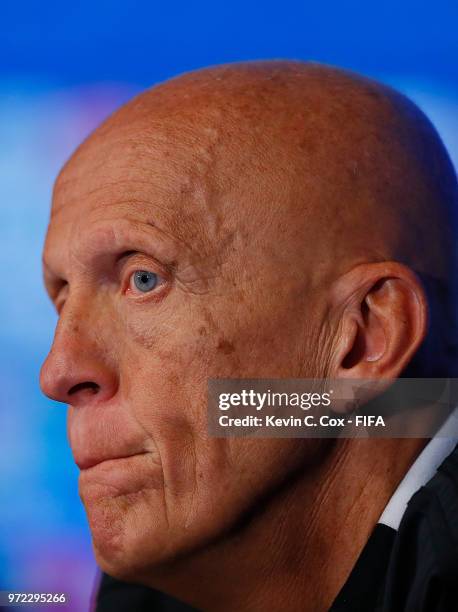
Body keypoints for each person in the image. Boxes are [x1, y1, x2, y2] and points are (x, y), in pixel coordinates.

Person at [40, 61, 458, 611]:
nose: (59, 372)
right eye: (63, 296)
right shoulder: (150, 594)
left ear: (364, 336)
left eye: (143, 279)